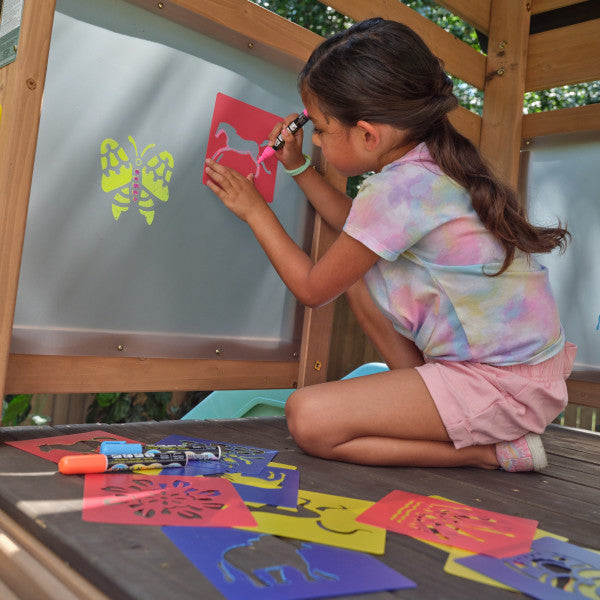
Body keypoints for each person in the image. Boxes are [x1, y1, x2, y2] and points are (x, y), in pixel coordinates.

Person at [205, 17, 576, 472]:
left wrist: (255, 210)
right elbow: (359, 234)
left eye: (319, 130)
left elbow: (313, 288)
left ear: (368, 135)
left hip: (503, 387)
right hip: (519, 373)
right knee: (358, 277)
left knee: (308, 418)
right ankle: (423, 398)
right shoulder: (430, 160)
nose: (315, 138)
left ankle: (491, 453)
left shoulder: (398, 189)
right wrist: (300, 167)